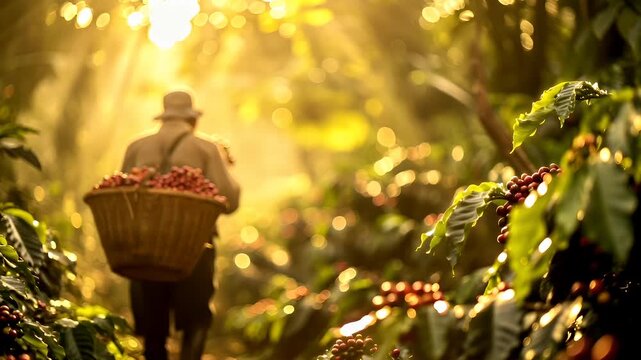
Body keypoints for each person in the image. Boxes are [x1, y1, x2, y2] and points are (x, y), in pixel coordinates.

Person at [120, 90, 240, 360]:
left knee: (153, 329)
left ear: (163, 117)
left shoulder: (137, 146)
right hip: (194, 247)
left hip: (146, 245)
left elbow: (120, 195)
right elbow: (230, 201)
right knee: (196, 320)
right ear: (192, 119)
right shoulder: (207, 147)